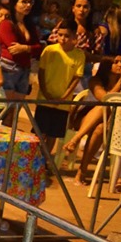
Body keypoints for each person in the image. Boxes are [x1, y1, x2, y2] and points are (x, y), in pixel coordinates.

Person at [64, 54, 121, 186]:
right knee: (104, 108)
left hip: (113, 124)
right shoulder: (95, 81)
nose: (120, 65)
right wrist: (119, 83)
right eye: (116, 62)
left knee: (100, 128)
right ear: (107, 65)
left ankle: (82, 171)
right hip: (85, 118)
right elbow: (105, 99)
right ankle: (77, 140)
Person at [35, 21, 85, 156]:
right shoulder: (49, 50)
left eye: (67, 36)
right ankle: (34, 160)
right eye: (60, 35)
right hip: (45, 99)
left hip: (62, 104)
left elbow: (76, 78)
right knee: (39, 133)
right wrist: (45, 93)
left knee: (53, 135)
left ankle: (45, 161)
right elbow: (41, 72)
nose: (63, 39)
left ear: (74, 37)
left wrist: (64, 98)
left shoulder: (79, 55)